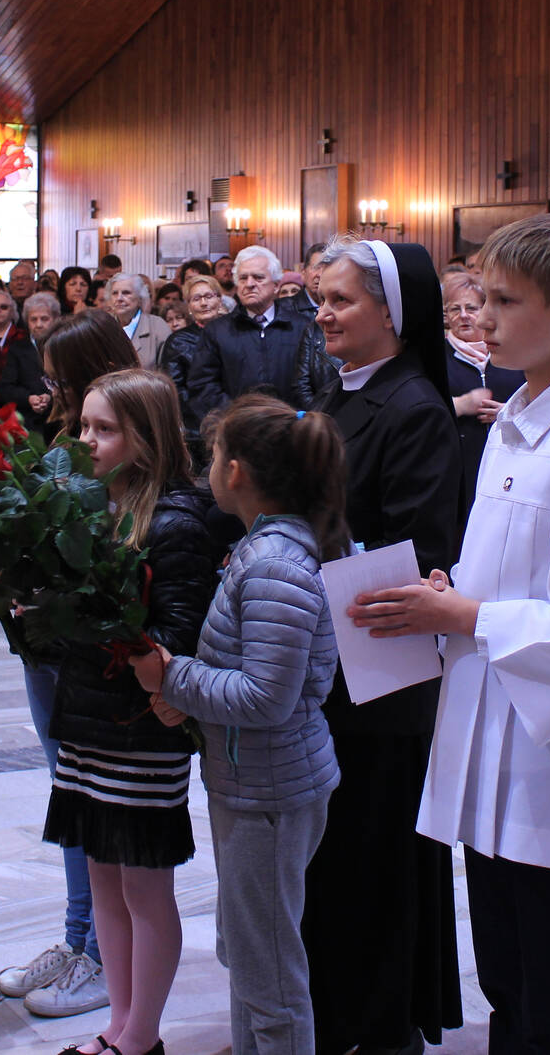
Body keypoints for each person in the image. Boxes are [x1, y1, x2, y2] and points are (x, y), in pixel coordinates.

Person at [349, 212, 550, 1052]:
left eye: (504, 301)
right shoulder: (515, 422)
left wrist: (470, 615)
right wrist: (455, 590)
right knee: (507, 969)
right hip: (494, 734)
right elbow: (514, 573)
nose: (480, 318)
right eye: (480, 297)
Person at [130, 396, 344, 1055]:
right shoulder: (259, 549)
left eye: (214, 454)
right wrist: (186, 689)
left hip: (271, 790)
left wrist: (173, 677)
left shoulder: (275, 565)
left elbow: (266, 697)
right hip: (253, 782)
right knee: (250, 954)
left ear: (237, 471)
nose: (206, 468)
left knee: (271, 973)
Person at [34, 369, 226, 1047]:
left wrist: (99, 626)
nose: (86, 440)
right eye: (83, 425)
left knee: (144, 892)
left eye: (104, 428)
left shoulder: (174, 522)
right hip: (88, 722)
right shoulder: (90, 509)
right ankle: (116, 1022)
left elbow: (177, 634)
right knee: (104, 885)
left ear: (145, 439)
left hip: (139, 732)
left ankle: (141, 1035)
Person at [306, 237, 464, 1054]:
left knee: (373, 856)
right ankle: (333, 1013)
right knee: (336, 858)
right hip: (333, 661)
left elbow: (420, 550)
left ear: (392, 312)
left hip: (379, 673)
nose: (323, 314)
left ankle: (379, 1025)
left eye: (341, 299)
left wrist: (298, 561)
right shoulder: (340, 393)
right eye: (321, 299)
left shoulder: (414, 407)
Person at [0, 310, 141, 1021]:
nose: (48, 392)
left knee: (96, 803)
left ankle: (105, 957)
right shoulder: (65, 440)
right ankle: (78, 936)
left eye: (59, 380)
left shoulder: (130, 450)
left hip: (90, 649)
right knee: (69, 791)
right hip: (47, 644)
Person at [185, 246, 334, 420]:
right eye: (243, 278)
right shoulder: (217, 331)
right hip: (236, 427)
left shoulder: (302, 327)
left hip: (293, 427)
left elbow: (317, 383)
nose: (249, 284)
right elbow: (203, 387)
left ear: (276, 285)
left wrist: (298, 418)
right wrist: (239, 416)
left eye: (258, 277)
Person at [443, 272, 523, 531]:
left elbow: (537, 400)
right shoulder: (436, 357)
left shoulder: (511, 352)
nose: (463, 315)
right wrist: (460, 404)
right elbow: (421, 408)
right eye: (454, 309)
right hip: (457, 470)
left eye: (471, 308)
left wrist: (510, 412)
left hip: (510, 464)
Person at [160, 275, 225, 449]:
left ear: (219, 300)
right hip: (196, 428)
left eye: (209, 296)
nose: (204, 303)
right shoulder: (178, 341)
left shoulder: (235, 333)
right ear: (189, 306)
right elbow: (175, 388)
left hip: (235, 419)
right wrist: (206, 418)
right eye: (196, 299)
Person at [2, 292, 61, 431]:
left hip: (60, 418)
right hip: (27, 420)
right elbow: (6, 387)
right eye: (33, 319)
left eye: (44, 319)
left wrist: (51, 397)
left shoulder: (63, 346)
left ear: (55, 319)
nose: (38, 324)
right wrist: (28, 398)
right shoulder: (17, 349)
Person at [107, 274, 169, 370]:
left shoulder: (158, 326)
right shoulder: (104, 326)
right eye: (115, 293)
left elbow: (167, 371)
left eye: (126, 293)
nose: (119, 298)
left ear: (140, 298)